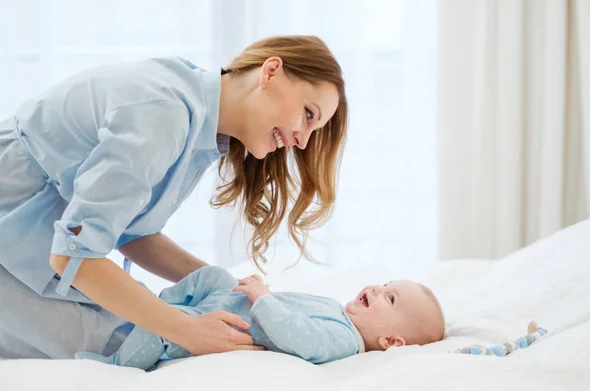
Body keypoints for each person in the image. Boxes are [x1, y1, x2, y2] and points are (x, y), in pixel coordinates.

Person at [0, 35, 347, 359]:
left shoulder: (196, 114)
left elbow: (131, 234)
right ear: (271, 71)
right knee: (120, 346)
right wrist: (187, 330)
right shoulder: (165, 113)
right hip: (16, 220)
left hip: (33, 236)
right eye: (308, 114)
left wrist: (224, 286)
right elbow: (74, 253)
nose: (302, 141)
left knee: (140, 337)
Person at [76, 265, 446, 370]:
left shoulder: (344, 342)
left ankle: (116, 365)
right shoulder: (339, 312)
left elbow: (297, 336)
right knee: (215, 275)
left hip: (217, 325)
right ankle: (152, 299)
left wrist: (264, 298)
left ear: (392, 342)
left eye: (390, 297)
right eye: (384, 284)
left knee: (162, 325)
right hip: (228, 300)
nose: (376, 289)